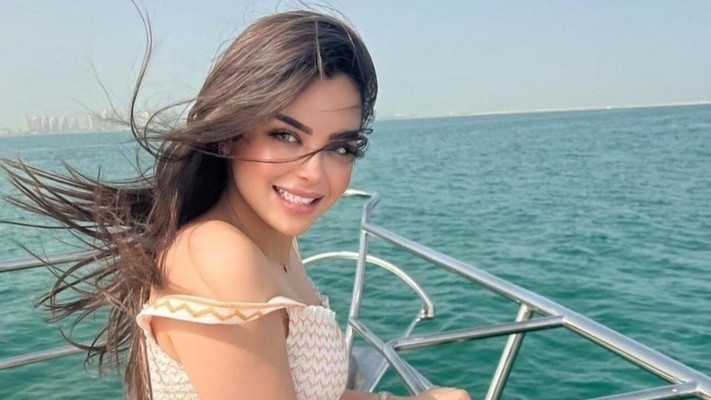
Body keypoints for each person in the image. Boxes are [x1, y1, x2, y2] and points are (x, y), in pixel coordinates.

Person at [2, 9, 471, 400]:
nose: (314, 172)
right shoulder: (220, 257)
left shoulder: (273, 241)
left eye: (340, 147)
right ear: (229, 136)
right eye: (285, 135)